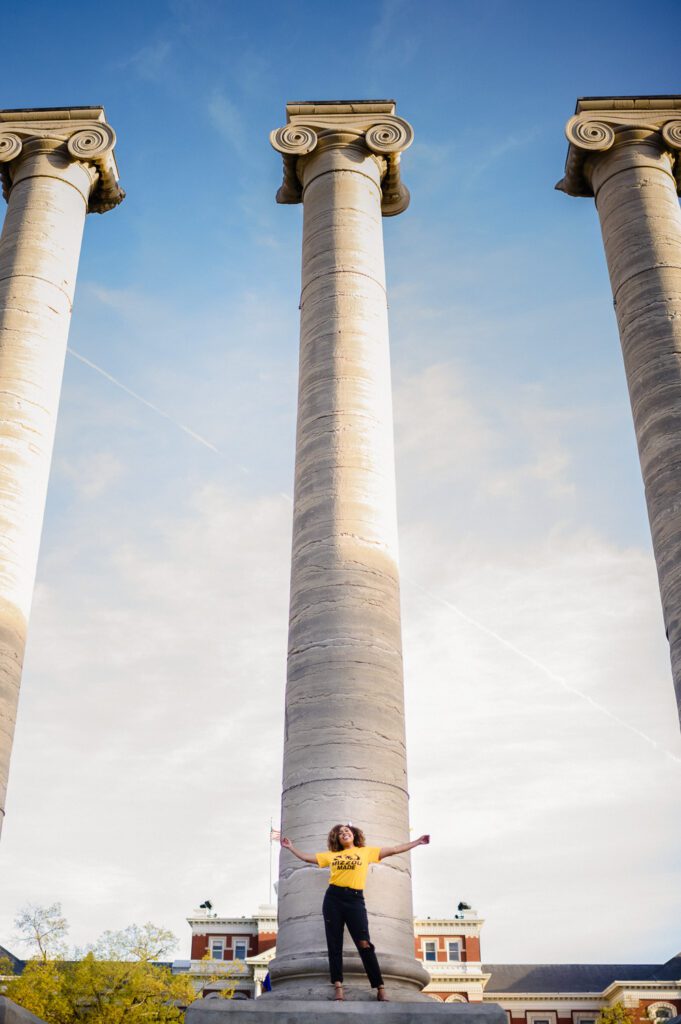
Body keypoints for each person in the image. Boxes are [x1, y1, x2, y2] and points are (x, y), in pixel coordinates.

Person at [281, 823, 430, 1002]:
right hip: (333, 898)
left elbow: (394, 850)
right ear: (337, 839)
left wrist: (417, 842)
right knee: (334, 944)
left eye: (347, 831)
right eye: (340, 833)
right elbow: (307, 858)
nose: (344, 833)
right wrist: (291, 848)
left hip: (355, 900)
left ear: (354, 835)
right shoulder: (332, 855)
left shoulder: (365, 852)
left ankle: (379, 987)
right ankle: (338, 987)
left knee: (364, 943)